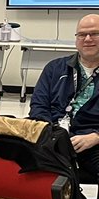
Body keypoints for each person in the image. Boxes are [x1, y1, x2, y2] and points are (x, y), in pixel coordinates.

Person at [30, 13, 99, 175]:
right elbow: (38, 107)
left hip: (92, 141)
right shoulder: (55, 68)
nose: (87, 39)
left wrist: (95, 137)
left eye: (94, 34)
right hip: (53, 138)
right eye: (82, 34)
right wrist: (52, 135)